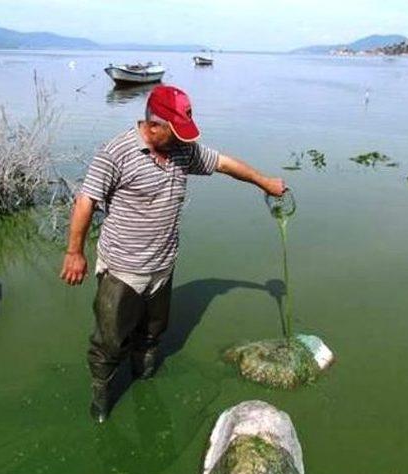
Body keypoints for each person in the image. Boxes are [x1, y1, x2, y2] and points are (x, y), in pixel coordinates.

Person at [59, 84, 284, 422]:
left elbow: (222, 163)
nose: (183, 140)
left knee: (152, 332)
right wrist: (74, 252)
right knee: (108, 342)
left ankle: (144, 373)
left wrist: (263, 181)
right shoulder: (115, 153)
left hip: (163, 266)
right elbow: (85, 201)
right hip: (125, 269)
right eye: (175, 132)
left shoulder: (182, 150)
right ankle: (101, 397)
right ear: (153, 125)